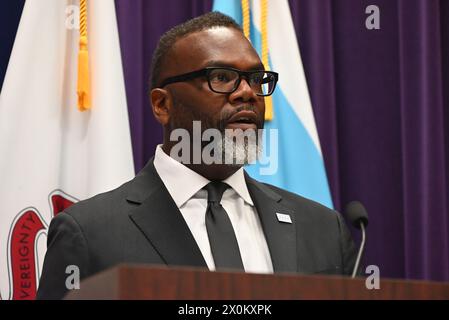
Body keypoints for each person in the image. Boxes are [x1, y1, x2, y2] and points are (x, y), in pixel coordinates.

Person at [37, 12, 356, 300]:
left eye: (257, 79)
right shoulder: (91, 234)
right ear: (162, 105)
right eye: (221, 78)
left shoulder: (323, 229)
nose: (247, 92)